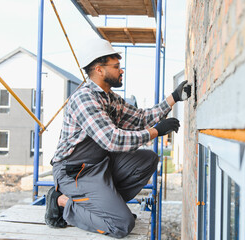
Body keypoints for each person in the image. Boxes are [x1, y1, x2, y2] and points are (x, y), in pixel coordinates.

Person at [44, 38, 191, 238]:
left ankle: (108, 208)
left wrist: (174, 97)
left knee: (148, 159)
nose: (121, 71)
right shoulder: (84, 99)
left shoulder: (110, 98)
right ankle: (61, 202)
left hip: (99, 163)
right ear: (99, 69)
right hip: (75, 171)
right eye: (116, 67)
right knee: (121, 225)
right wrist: (155, 131)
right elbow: (111, 139)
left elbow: (141, 118)